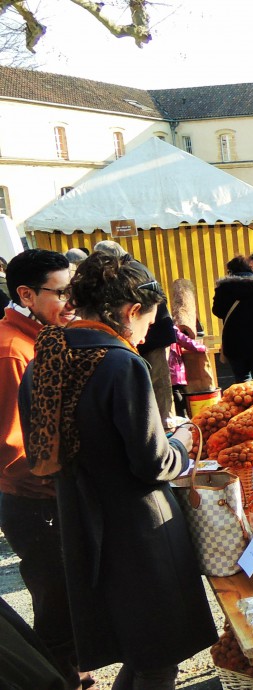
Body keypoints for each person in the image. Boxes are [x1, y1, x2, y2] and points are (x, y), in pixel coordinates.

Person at [18, 252, 217, 689]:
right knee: (159, 655)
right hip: (137, 531)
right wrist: (183, 441)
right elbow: (153, 463)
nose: (147, 333)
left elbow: (48, 454)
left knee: (139, 651)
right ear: (130, 311)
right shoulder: (119, 362)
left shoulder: (44, 360)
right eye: (148, 321)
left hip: (82, 523)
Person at [0, 249, 87, 689]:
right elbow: (13, 452)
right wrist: (68, 486)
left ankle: (70, 673)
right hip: (35, 504)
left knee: (68, 601)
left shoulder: (44, 337)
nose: (71, 300)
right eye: (62, 292)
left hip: (49, 497)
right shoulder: (12, 351)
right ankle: (61, 680)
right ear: (26, 295)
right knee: (55, 607)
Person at [93, 240, 179, 423]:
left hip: (153, 335)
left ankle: (164, 423)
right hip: (143, 333)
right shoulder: (126, 270)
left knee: (158, 381)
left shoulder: (132, 271)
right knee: (150, 381)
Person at [212, 255, 253, 382]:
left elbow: (217, 311)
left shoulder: (223, 289)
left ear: (230, 272)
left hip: (235, 342)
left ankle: (246, 402)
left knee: (242, 381)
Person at [168, 324, 207, 418]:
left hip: (166, 367)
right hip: (173, 366)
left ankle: (179, 417)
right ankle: (183, 417)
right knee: (176, 392)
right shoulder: (169, 326)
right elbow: (185, 341)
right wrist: (202, 347)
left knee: (172, 392)